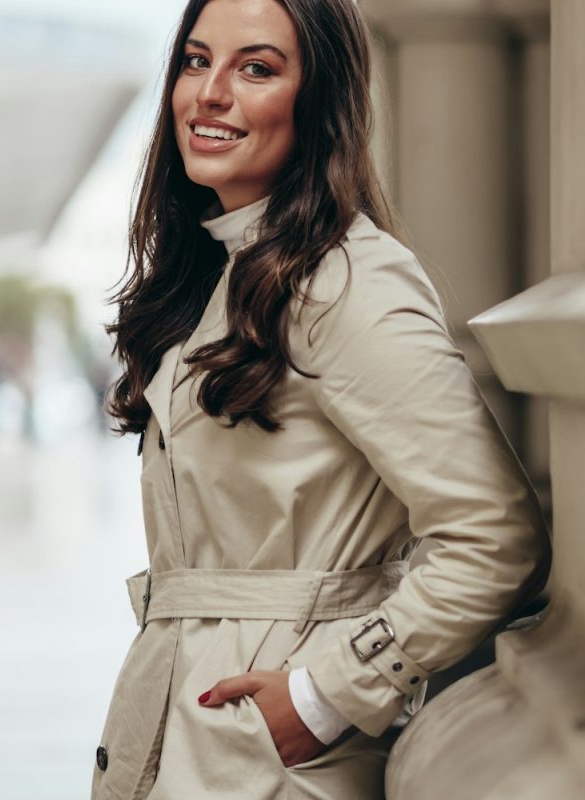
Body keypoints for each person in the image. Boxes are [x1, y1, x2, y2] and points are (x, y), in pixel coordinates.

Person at [93, 0, 551, 797]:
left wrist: (328, 694)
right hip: (190, 730)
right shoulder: (219, 272)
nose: (210, 93)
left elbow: (494, 535)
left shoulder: (347, 282)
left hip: (271, 761)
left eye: (257, 69)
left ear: (319, 101)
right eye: (197, 61)